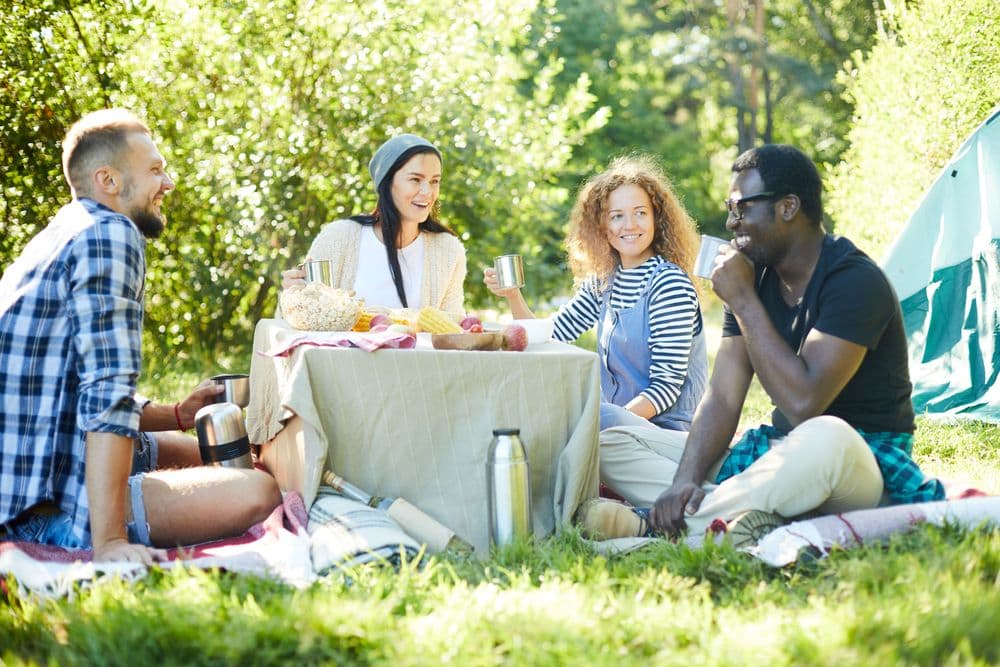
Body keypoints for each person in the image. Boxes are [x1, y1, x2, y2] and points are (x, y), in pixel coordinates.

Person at [577, 144, 945, 547]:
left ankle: (659, 526)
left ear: (787, 207)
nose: (731, 223)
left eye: (741, 208)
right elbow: (722, 399)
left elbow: (804, 403)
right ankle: (737, 517)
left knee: (826, 434)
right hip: (774, 457)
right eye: (730, 209)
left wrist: (745, 301)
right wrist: (683, 481)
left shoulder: (854, 282)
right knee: (610, 441)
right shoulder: (754, 279)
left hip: (856, 461)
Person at [0, 109, 281, 564]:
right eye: (154, 170)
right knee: (260, 489)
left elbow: (74, 386)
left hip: (52, 460)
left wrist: (178, 413)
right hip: (40, 506)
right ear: (108, 179)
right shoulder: (110, 235)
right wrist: (110, 542)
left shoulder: (67, 228)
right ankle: (98, 530)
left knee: (234, 456)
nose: (167, 183)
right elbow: (105, 395)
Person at [485, 155, 708, 431]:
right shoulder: (605, 281)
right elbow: (548, 336)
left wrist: (605, 425)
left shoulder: (668, 285)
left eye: (640, 212)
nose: (630, 225)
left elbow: (666, 387)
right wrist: (512, 295)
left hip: (667, 431)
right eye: (617, 216)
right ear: (601, 226)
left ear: (656, 219)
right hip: (619, 425)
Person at [281, 134, 467, 315]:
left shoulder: (448, 250)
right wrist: (293, 297)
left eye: (435, 181)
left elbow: (454, 327)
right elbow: (302, 319)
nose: (427, 191)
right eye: (415, 180)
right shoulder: (339, 238)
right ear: (387, 183)